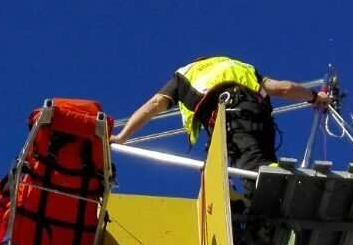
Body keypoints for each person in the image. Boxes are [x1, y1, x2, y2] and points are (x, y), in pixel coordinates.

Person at [112, 58, 330, 172]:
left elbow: (155, 104)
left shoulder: (184, 75)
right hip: (260, 118)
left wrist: (123, 137)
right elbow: (282, 88)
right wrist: (313, 97)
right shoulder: (239, 67)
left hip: (231, 117)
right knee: (257, 168)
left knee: (253, 168)